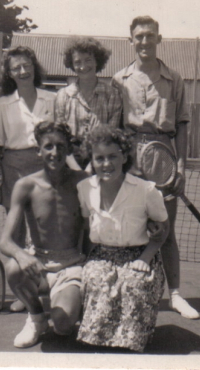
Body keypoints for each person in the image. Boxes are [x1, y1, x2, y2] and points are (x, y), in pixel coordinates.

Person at [112, 15, 199, 319]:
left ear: (159, 39)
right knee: (129, 226)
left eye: (150, 36)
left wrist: (181, 166)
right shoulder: (118, 79)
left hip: (164, 158)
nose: (145, 41)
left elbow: (183, 125)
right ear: (131, 41)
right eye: (139, 36)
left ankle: (175, 295)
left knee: (166, 230)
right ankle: (125, 289)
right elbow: (114, 126)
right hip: (130, 157)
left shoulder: (175, 79)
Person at [76, 125, 169, 352]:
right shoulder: (84, 188)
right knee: (96, 280)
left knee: (134, 284)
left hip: (140, 255)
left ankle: (130, 344)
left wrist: (145, 259)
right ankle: (100, 340)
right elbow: (85, 226)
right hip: (102, 255)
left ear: (125, 156)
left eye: (113, 157)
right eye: (99, 158)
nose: (106, 164)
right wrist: (84, 261)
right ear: (92, 160)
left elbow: (163, 229)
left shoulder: (146, 190)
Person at [0, 121, 88, 348]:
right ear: (38, 150)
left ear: (68, 149)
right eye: (48, 146)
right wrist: (23, 256)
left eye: (60, 146)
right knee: (13, 268)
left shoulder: (83, 183)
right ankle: (36, 318)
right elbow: (6, 242)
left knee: (63, 326)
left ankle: (69, 302)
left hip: (71, 265)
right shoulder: (25, 185)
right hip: (38, 263)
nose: (54, 152)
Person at [0, 46, 56, 312]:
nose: (22, 71)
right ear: (9, 73)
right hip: (13, 167)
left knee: (45, 229)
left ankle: (50, 287)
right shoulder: (2, 104)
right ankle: (24, 291)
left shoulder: (53, 99)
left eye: (26, 65)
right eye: (16, 68)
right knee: (16, 233)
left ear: (34, 67)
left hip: (45, 166)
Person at [55, 36, 122, 169]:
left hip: (102, 159)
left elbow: (111, 134)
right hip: (70, 160)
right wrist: (75, 168)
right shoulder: (63, 95)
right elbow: (60, 137)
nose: (83, 66)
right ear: (72, 65)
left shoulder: (111, 94)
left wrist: (93, 165)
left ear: (97, 61)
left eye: (88, 60)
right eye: (77, 62)